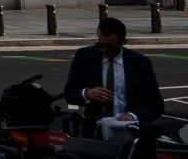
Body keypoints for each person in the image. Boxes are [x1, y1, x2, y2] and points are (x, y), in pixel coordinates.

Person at [62, 16, 163, 152]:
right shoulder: (84, 56)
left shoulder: (139, 63)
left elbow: (156, 105)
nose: (104, 50)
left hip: (128, 130)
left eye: (110, 47)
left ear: (123, 42)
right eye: (100, 45)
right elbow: (70, 92)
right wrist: (86, 93)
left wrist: (133, 116)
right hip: (93, 128)